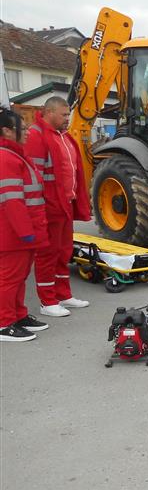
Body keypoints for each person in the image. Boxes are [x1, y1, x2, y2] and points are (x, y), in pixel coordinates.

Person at [24, 96, 90, 318]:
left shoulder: (64, 137)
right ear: (49, 112)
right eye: (63, 115)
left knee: (63, 252)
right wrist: (38, 209)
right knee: (47, 254)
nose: (67, 119)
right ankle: (47, 300)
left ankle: (63, 294)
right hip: (49, 206)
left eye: (68, 114)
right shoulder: (37, 135)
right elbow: (34, 176)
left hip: (64, 205)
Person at [0, 108, 49, 342]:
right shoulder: (6, 158)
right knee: (9, 279)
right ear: (7, 131)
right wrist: (25, 233)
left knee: (19, 278)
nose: (28, 132)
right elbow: (13, 201)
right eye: (23, 128)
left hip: (23, 232)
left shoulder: (15, 154)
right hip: (13, 234)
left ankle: (18, 316)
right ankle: (4, 323)